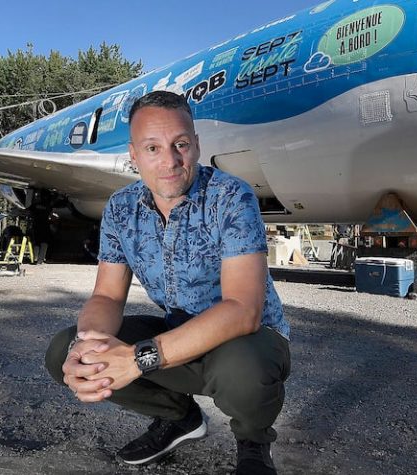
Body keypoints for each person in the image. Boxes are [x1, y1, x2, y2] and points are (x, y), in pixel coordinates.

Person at [45, 91, 290, 474]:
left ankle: (254, 441)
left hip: (247, 339)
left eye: (180, 145)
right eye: (153, 148)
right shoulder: (121, 208)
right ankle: (179, 418)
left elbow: (244, 310)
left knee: (243, 370)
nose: (170, 161)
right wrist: (88, 345)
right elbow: (107, 295)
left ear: (196, 146)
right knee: (65, 350)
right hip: (178, 333)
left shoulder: (231, 197)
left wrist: (137, 358)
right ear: (133, 154)